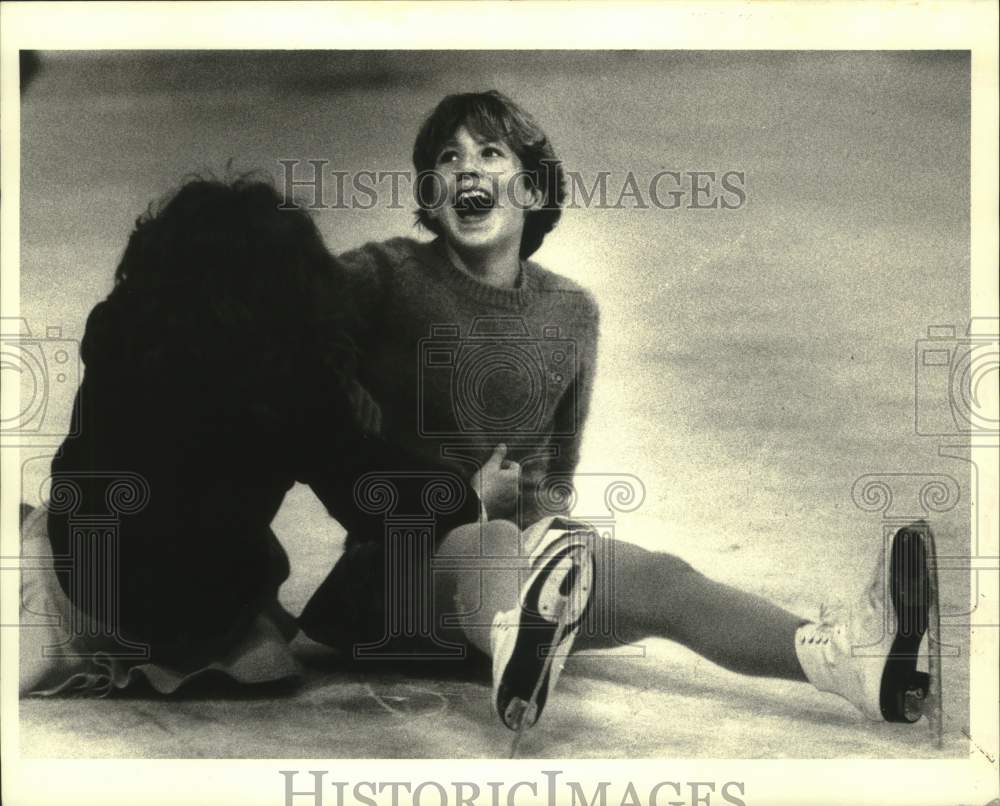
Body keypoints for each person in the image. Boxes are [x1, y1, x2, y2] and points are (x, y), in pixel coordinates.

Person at [298, 91, 939, 738]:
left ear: (532, 184)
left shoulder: (572, 311)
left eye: (490, 152)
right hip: (396, 576)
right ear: (431, 195)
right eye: (448, 157)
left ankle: (847, 662)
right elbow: (285, 341)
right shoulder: (386, 272)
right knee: (488, 540)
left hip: (523, 567)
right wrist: (449, 489)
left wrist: (546, 538)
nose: (467, 168)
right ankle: (516, 638)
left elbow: (552, 477)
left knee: (663, 578)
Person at [20, 176, 516, 695]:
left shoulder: (117, 332)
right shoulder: (290, 378)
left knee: (70, 522)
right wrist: (471, 496)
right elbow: (370, 497)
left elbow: (82, 469)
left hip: (86, 577)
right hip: (196, 614)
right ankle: (505, 618)